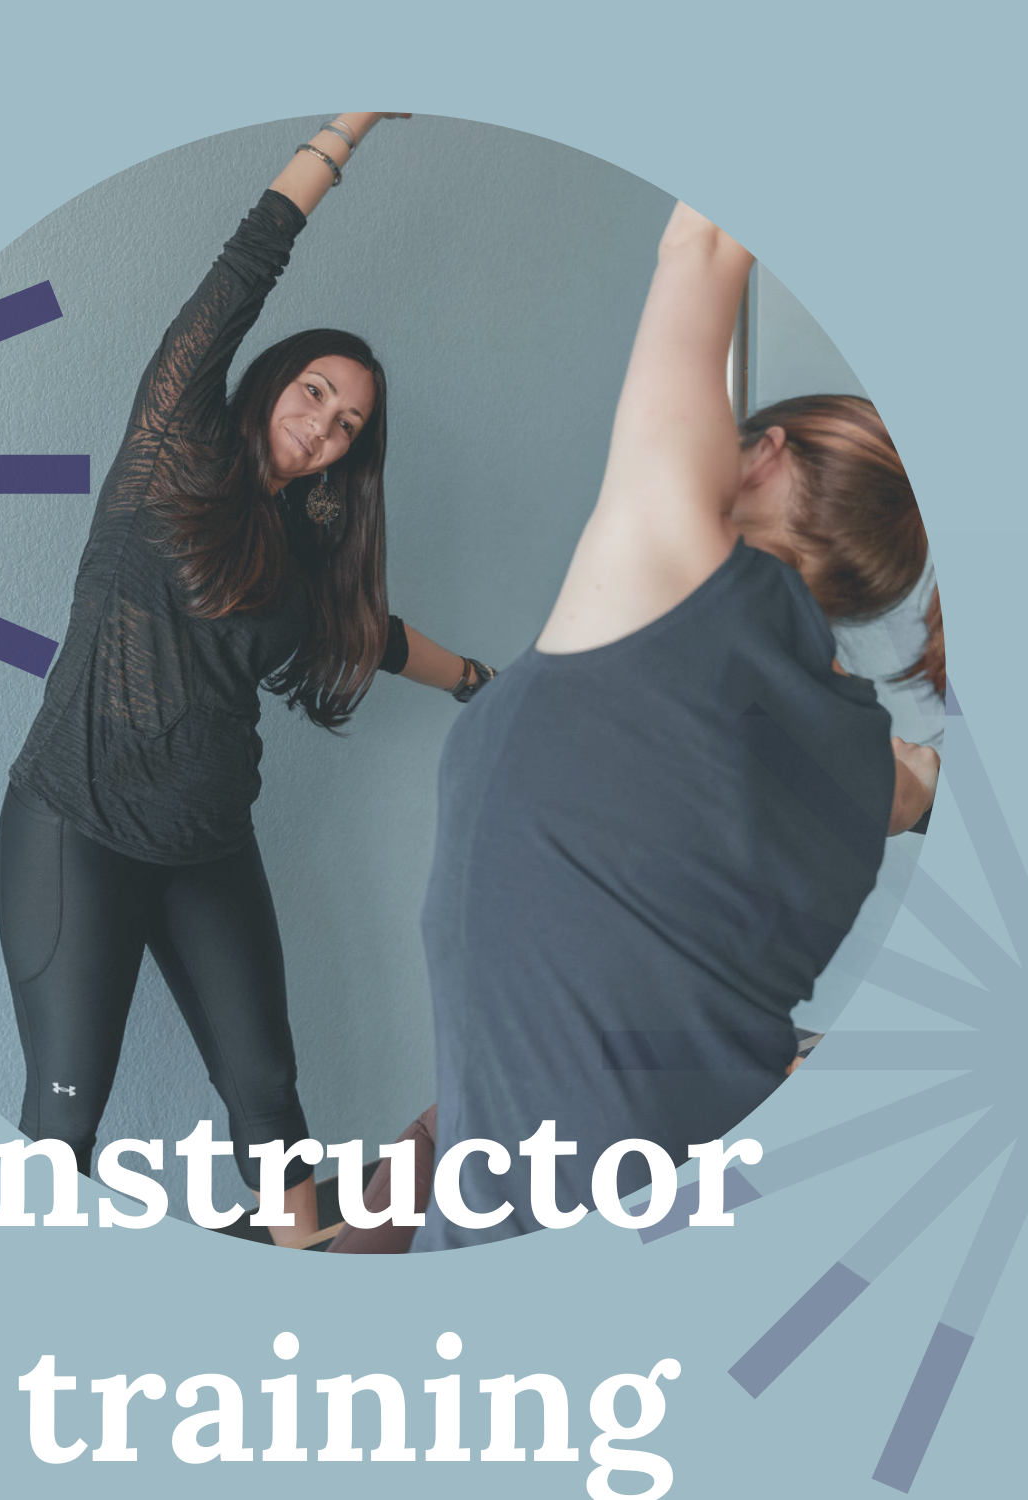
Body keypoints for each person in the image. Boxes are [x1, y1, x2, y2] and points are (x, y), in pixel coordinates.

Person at [0, 116, 492, 1247]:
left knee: (270, 1099)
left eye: (348, 425)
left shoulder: (301, 555)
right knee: (64, 1127)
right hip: (76, 829)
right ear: (279, 379)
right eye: (317, 392)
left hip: (208, 843)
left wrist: (482, 680)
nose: (324, 425)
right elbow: (238, 275)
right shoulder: (170, 444)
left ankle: (308, 1284)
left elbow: (366, 634)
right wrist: (348, 127)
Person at [412, 201, 941, 1252]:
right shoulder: (872, 769)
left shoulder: (659, 581)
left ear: (761, 452)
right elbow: (921, 788)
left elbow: (702, 241)